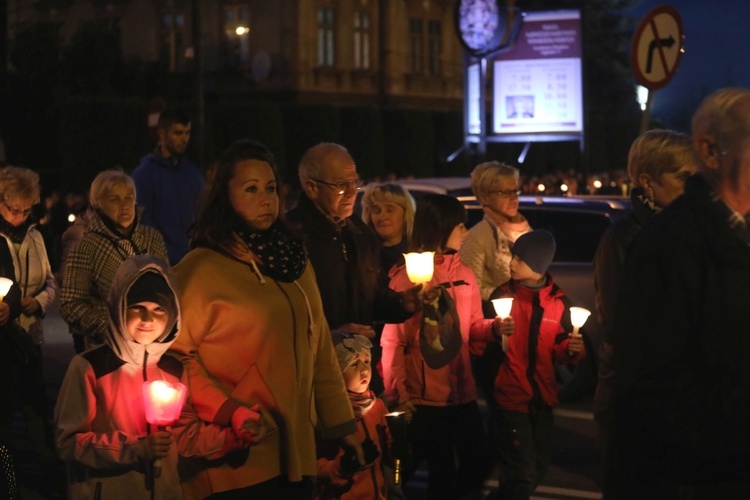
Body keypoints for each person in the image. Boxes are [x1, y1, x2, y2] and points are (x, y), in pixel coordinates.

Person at [168, 139, 364, 497]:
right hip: (236, 455)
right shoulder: (200, 269)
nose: (266, 198)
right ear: (224, 197)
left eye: (271, 187)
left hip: (297, 449)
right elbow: (174, 357)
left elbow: (318, 346)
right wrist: (229, 410)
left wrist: (341, 425)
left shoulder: (293, 262)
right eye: (251, 188)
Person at [614, 88, 750, 496]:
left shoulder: (734, 233)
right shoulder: (670, 243)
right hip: (700, 478)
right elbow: (657, 386)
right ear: (711, 151)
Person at [54, 255, 248, 499]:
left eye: (158, 309)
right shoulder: (89, 367)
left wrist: (234, 439)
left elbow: (184, 436)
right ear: (119, 307)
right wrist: (136, 448)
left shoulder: (173, 370)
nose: (148, 320)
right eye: (137, 308)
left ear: (172, 314)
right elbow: (69, 442)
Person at [591, 129, 695, 498]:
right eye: (683, 178)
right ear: (648, 183)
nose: (693, 187)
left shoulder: (684, 231)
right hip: (632, 400)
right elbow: (625, 326)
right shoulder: (625, 238)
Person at [381, 193, 503, 499]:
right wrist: (398, 394)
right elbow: (392, 341)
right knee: (425, 469)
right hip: (423, 398)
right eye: (460, 226)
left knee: (477, 460)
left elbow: (472, 329)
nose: (466, 232)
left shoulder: (464, 275)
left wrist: (495, 328)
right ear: (440, 228)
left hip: (460, 392)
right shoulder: (406, 278)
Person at [488, 229, 585, 499]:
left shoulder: (558, 302)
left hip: (542, 399)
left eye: (520, 259)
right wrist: (492, 330)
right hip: (510, 398)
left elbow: (563, 348)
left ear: (539, 264)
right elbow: (481, 338)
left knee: (537, 467)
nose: (512, 263)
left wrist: (572, 349)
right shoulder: (503, 296)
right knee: (523, 473)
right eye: (513, 256)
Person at [286, 143, 416, 343]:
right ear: (312, 188)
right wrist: (333, 337)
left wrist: (402, 303)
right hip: (316, 367)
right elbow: (284, 316)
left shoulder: (359, 232)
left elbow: (374, 297)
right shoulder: (292, 237)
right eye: (340, 185)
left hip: (359, 361)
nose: (351, 193)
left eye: (354, 183)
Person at [60, 169, 168, 350]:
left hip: (153, 346)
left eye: (128, 198)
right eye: (114, 199)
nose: (124, 205)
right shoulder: (86, 246)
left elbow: (167, 290)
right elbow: (70, 304)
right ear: (98, 205)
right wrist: (109, 327)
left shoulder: (152, 238)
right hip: (107, 349)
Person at [0, 167, 59, 465]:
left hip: (30, 333)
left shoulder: (35, 236)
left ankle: (44, 461)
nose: (20, 217)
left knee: (36, 400)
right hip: (4, 337)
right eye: (14, 209)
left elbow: (50, 281)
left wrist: (39, 302)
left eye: (26, 210)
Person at [315, 330, 399, 499]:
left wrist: (398, 452)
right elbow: (314, 469)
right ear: (336, 372)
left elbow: (392, 462)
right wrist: (345, 467)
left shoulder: (377, 406)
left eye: (366, 361)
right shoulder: (328, 412)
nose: (364, 370)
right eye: (353, 364)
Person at [132, 108, 203, 265]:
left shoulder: (192, 173)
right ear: (162, 134)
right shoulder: (144, 175)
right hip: (162, 265)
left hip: (192, 262)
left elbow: (202, 215)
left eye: (187, 133)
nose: (184, 139)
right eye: (178, 133)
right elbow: (144, 226)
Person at [360, 183, 416, 274]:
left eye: (390, 210)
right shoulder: (363, 254)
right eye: (376, 211)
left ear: (406, 214)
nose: (382, 217)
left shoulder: (419, 254)